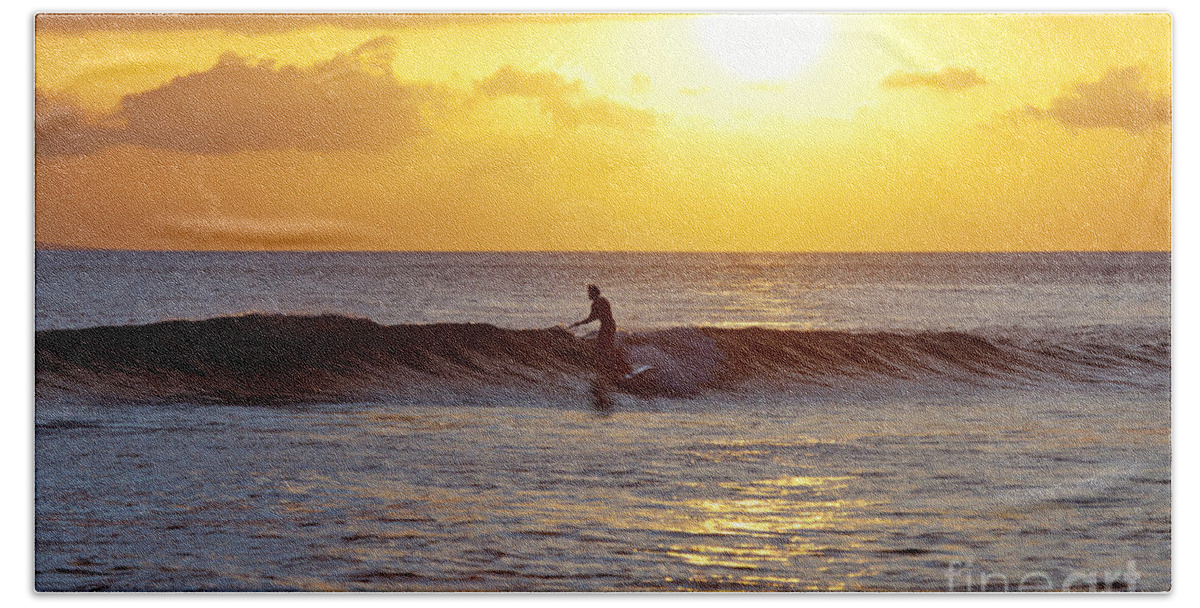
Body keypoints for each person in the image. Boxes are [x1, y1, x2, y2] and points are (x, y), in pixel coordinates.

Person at [570, 284, 631, 376]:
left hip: (607, 326)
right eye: (588, 292)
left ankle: (619, 368)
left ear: (594, 292)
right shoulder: (603, 300)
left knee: (603, 348)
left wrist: (579, 323)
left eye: (590, 292)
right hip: (609, 325)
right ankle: (617, 367)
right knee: (606, 347)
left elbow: (592, 318)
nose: (588, 294)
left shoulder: (597, 302)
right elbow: (597, 316)